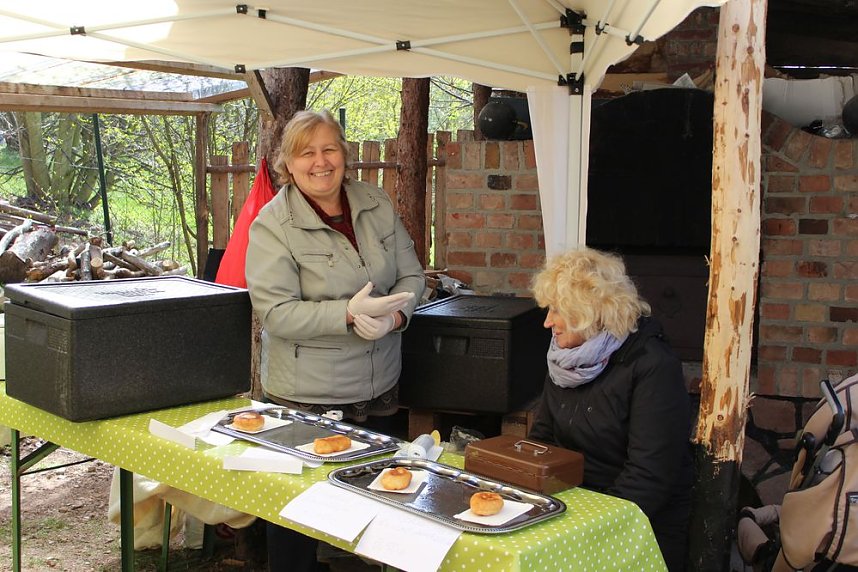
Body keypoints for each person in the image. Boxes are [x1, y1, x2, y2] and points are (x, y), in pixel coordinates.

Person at [245, 109, 425, 571]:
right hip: (305, 396)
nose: (320, 162)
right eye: (307, 152)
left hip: (379, 384)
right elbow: (276, 313)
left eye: (329, 149)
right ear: (288, 161)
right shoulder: (273, 224)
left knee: (374, 508)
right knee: (297, 517)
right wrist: (346, 313)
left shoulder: (374, 203)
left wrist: (396, 316)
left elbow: (412, 275)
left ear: (344, 154)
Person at [527, 247, 694, 572]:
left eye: (558, 310)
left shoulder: (652, 365)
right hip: (573, 507)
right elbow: (541, 443)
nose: (548, 322)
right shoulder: (564, 360)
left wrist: (585, 529)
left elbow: (649, 478)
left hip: (637, 524)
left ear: (589, 311)